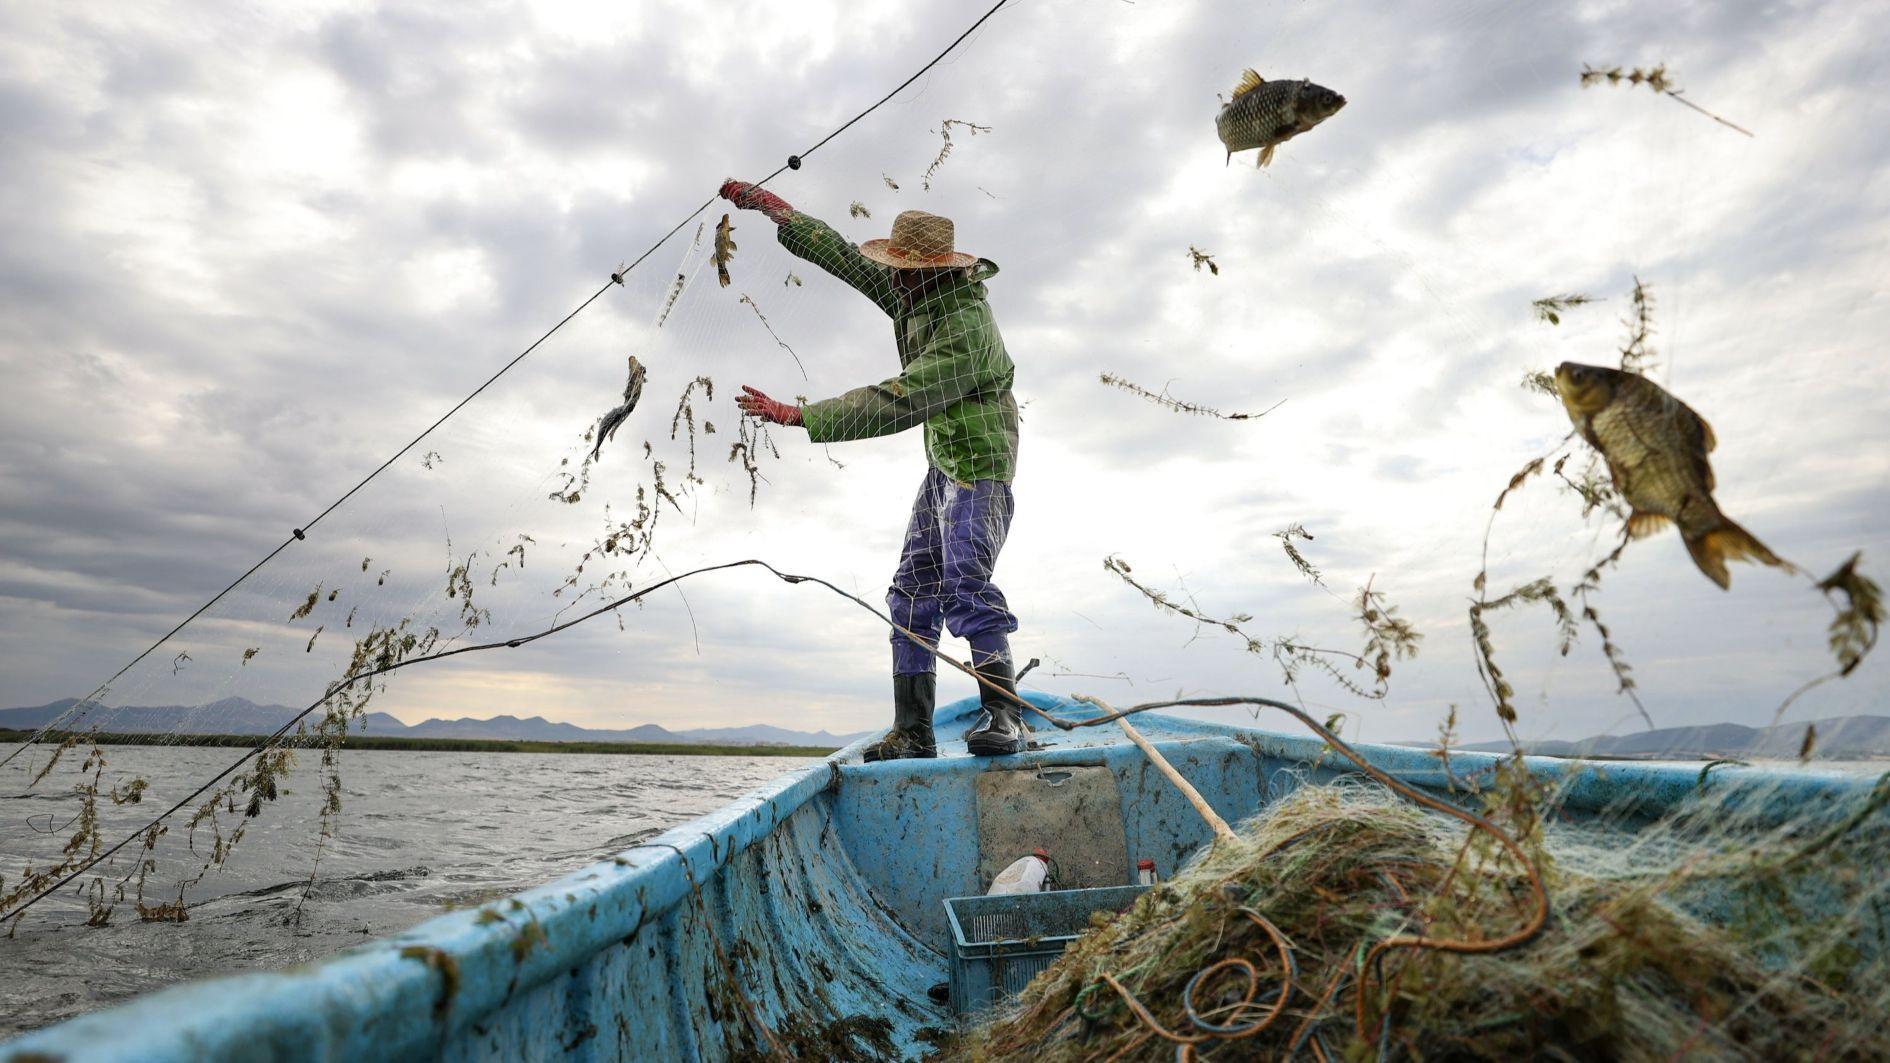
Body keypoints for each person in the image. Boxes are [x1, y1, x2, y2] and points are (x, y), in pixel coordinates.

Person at [719, 179, 1024, 760]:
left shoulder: (965, 328)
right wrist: (779, 213)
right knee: (911, 591)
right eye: (896, 270)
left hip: (980, 465)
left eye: (906, 270)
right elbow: (843, 259)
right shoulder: (915, 295)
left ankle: (1003, 715)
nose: (896, 279)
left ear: (936, 271)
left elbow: (900, 399)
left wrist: (798, 415)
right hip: (943, 465)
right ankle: (913, 732)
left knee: (964, 578)